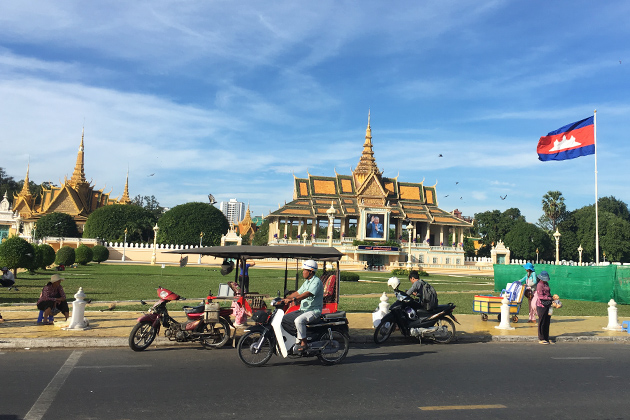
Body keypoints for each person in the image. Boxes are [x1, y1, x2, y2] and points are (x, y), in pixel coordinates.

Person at [282, 259, 324, 352]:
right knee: (285, 318)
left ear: (311, 271)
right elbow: (298, 292)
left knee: (299, 320)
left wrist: (294, 299)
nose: (303, 272)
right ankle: (299, 336)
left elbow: (307, 294)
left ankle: (304, 343)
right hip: (304, 310)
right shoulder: (307, 282)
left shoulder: (316, 282)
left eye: (305, 270)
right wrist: (286, 299)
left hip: (313, 311)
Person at [535, 271, 553, 344]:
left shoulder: (546, 284)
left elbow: (548, 293)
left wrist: (552, 298)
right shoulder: (539, 285)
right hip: (541, 305)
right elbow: (541, 296)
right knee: (542, 321)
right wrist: (549, 298)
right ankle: (541, 338)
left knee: (547, 321)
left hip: (548, 304)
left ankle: (546, 337)